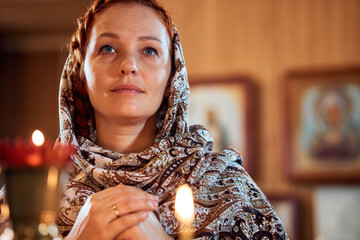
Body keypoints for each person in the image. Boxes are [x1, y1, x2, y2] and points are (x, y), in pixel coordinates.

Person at [56, 0, 288, 239]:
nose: (128, 65)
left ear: (172, 76)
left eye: (149, 50)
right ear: (80, 70)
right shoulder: (41, 186)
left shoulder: (228, 186)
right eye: (107, 48)